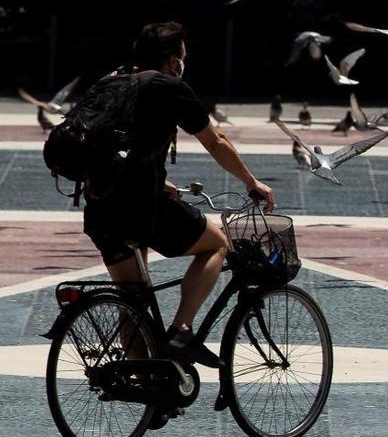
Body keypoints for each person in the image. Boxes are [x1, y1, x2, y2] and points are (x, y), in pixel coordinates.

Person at [83, 21, 275, 367]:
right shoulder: (170, 87)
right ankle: (182, 330)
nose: (183, 64)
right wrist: (251, 181)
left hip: (100, 207)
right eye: (182, 57)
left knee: (133, 299)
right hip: (140, 208)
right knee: (217, 243)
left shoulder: (111, 82)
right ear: (173, 61)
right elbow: (215, 141)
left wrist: (159, 182)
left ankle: (145, 386)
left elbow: (119, 148)